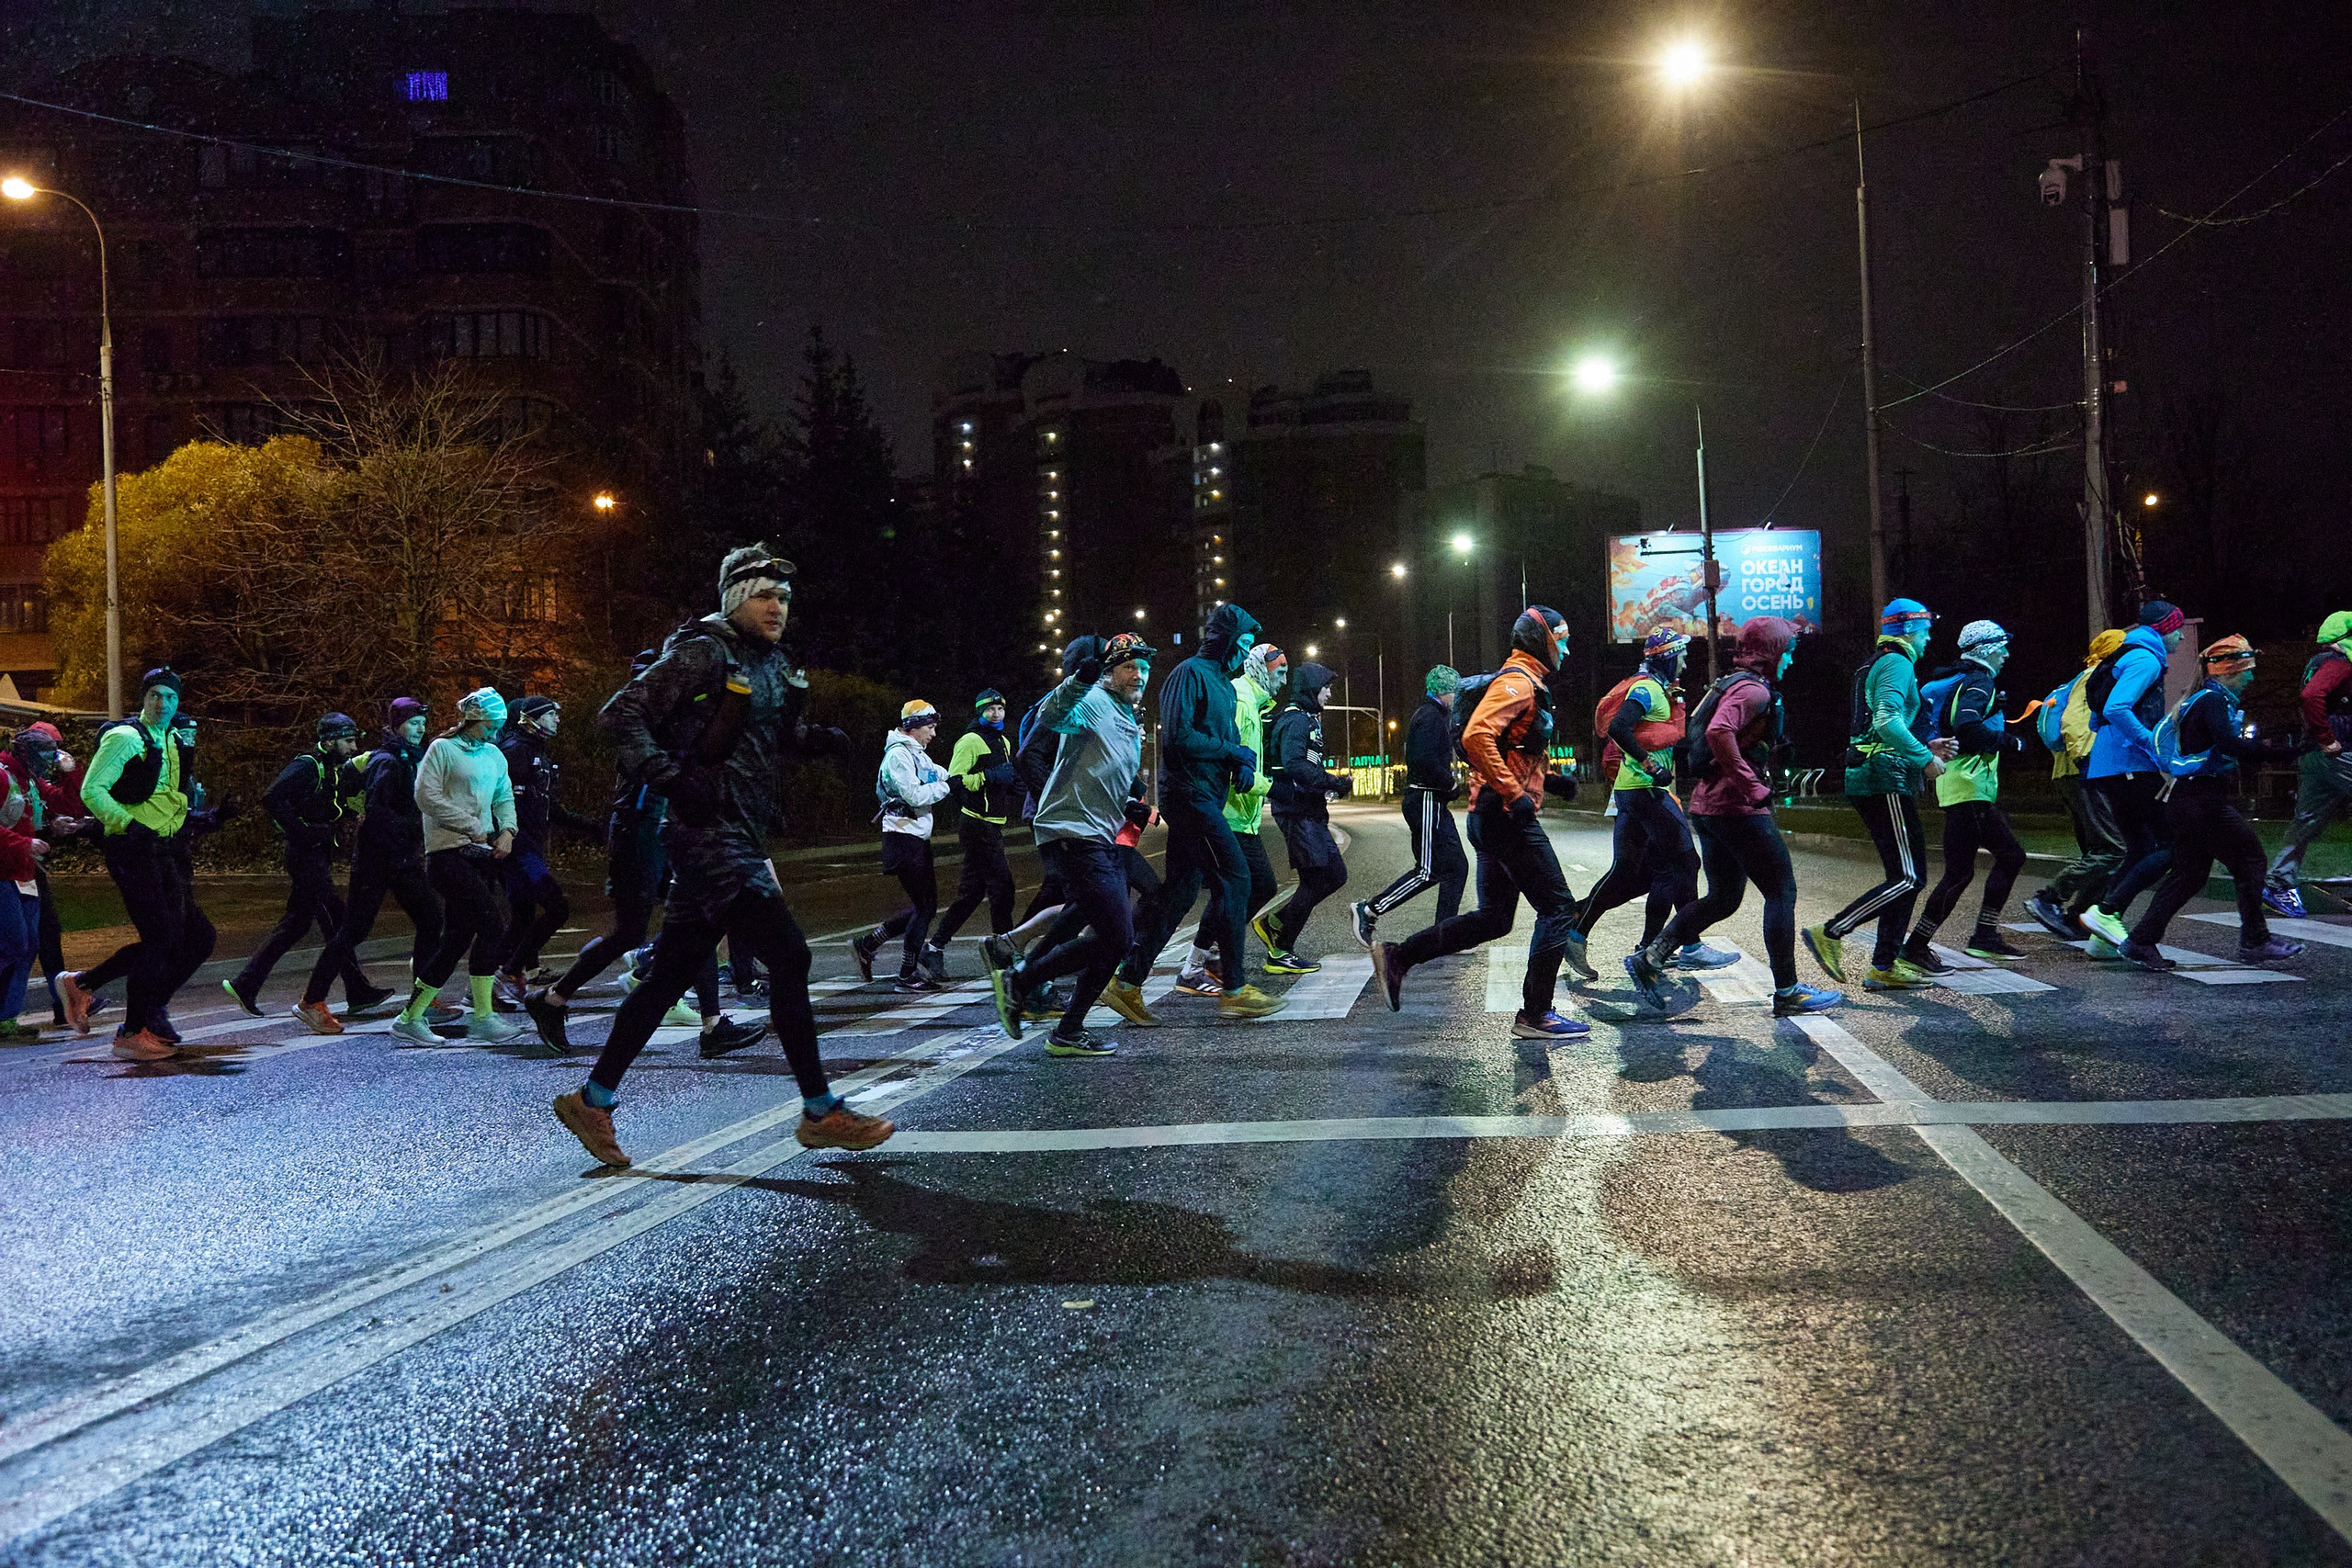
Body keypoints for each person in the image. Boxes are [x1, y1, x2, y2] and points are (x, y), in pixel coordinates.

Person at [554, 544, 893, 1168]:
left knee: (666, 977)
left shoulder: (768, 662)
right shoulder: (704, 651)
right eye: (764, 595)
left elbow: (760, 733)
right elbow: (618, 716)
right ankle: (820, 1111)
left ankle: (591, 1098)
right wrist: (666, 775)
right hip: (706, 833)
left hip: (738, 830)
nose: (777, 606)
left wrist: (809, 741)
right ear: (736, 598)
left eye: (784, 598)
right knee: (790, 955)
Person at [523, 653, 764, 1058]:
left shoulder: (672, 716)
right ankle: (552, 999)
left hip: (665, 828)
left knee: (701, 920)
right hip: (639, 830)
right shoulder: (644, 719)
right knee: (629, 932)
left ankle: (712, 1025)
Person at [1371, 606, 1589, 1040]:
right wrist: (1514, 794)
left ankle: (1399, 956)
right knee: (1558, 907)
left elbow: (1512, 746)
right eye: (1561, 637)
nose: (1566, 646)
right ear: (1540, 639)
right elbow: (1477, 736)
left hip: (1489, 815)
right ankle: (1536, 1014)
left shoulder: (1527, 683)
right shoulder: (1517, 683)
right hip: (1504, 816)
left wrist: (1553, 780)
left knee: (1494, 919)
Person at [1626, 618, 1841, 1016]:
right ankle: (1789, 991)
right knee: (1781, 891)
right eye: (1788, 648)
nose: (1791, 657)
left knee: (1724, 897)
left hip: (1709, 807)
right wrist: (1752, 786)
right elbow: (1719, 733)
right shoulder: (1752, 690)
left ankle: (1651, 956)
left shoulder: (1730, 683)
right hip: (1737, 808)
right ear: (1771, 649)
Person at [990, 632, 1157, 1055]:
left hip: (1098, 834)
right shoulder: (1092, 701)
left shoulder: (1125, 716)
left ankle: (1066, 1030)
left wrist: (1128, 805)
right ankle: (1021, 981)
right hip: (1072, 834)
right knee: (1118, 937)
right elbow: (1053, 714)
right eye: (1128, 666)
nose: (1138, 673)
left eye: (1143, 666)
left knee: (1108, 934)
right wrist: (1076, 683)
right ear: (1109, 671)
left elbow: (1102, 775)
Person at [2111, 635, 2302, 968]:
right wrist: (2285, 751)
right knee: (2252, 862)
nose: (2252, 678)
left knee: (2190, 874)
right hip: (2202, 801)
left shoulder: (2200, 699)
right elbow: (2228, 744)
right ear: (2229, 670)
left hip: (2185, 799)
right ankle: (2255, 941)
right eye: (2248, 671)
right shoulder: (2213, 701)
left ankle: (2140, 941)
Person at [65, 668, 220, 1061]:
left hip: (163, 850)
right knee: (162, 939)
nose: (162, 704)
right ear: (143, 698)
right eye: (155, 695)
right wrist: (126, 825)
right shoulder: (125, 738)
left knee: (198, 936)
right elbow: (91, 789)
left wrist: (203, 820)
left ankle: (89, 986)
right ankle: (133, 1031)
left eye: (170, 697)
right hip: (132, 851)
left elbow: (166, 798)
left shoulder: (169, 737)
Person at [1803, 599, 1958, 991]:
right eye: (1925, 630)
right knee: (1909, 876)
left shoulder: (1876, 662)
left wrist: (1925, 743)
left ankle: (1884, 966)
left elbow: (1879, 723)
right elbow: (1887, 720)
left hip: (1876, 772)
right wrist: (1924, 758)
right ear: (1909, 630)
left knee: (1905, 875)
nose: (1928, 638)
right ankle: (1832, 932)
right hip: (1883, 776)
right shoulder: (1898, 663)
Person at [1566, 626, 1736, 977]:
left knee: (1632, 874)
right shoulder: (1646, 689)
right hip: (1645, 789)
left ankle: (1576, 933)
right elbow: (1619, 727)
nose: (1686, 663)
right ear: (1668, 658)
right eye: (1683, 656)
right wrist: (1648, 763)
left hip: (1631, 792)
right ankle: (1690, 946)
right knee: (1686, 863)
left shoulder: (1660, 691)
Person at [1155, 603, 1283, 1018]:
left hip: (1207, 794)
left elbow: (1225, 742)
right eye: (1242, 642)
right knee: (1237, 878)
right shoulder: (1188, 674)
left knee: (1180, 893)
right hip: (1187, 794)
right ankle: (1234, 988)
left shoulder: (1224, 686)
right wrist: (1233, 752)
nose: (1243, 651)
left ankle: (1126, 981)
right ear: (1223, 638)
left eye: (1249, 644)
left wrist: (1240, 766)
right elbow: (1177, 739)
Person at [294, 699, 450, 1035]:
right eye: (412, 723)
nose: (420, 728)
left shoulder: (412, 757)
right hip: (377, 860)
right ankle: (312, 1000)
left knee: (431, 919)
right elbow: (378, 811)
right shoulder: (388, 761)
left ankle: (423, 1000)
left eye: (423, 722)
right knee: (355, 929)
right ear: (396, 726)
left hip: (401, 858)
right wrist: (411, 830)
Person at [222, 714, 387, 1018]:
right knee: (336, 919)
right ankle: (353, 991)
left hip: (315, 852)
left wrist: (346, 818)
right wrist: (301, 830)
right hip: (305, 855)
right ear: (328, 741)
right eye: (348, 741)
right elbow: (272, 797)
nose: (353, 747)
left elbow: (323, 805)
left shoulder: (328, 768)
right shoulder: (307, 765)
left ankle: (246, 983)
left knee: (297, 924)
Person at [390, 689, 522, 1045]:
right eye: (490, 725)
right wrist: (469, 824)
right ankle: (483, 1016)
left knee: (455, 941)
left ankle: (410, 1017)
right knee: (494, 924)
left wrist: (507, 830)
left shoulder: (493, 755)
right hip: (447, 855)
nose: (494, 733)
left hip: (479, 854)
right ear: (474, 720)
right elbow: (425, 796)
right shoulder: (442, 750)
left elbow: (504, 795)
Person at [1902, 620, 2030, 965]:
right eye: (2001, 646)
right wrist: (2011, 741)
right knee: (1968, 870)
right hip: (1968, 787)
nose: (2006, 653)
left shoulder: (1949, 678)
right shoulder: (1980, 680)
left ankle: (1982, 935)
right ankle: (1919, 945)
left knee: (1996, 860)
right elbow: (1968, 727)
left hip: (1955, 783)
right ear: (1986, 648)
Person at [2077, 602, 2189, 951]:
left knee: (2140, 847)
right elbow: (2115, 708)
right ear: (2162, 629)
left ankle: (2102, 939)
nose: (2182, 635)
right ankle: (2106, 912)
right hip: (2130, 764)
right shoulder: (2145, 659)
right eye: (2177, 628)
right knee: (2174, 844)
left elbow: (2098, 717)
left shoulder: (2125, 653)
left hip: (2110, 764)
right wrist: (2151, 744)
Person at [1178, 641, 1283, 990]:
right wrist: (1271, 788)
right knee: (1239, 890)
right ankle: (1198, 964)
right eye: (1279, 672)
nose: (1283, 681)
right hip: (1228, 812)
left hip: (1241, 814)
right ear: (1261, 669)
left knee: (1247, 889)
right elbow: (1232, 762)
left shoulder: (1253, 700)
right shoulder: (1240, 700)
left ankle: (1207, 958)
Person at [2023, 629, 2129, 941]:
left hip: (2069, 772)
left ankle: (2077, 919)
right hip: (2083, 771)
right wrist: (2089, 762)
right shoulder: (2096, 676)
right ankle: (2050, 898)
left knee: (2100, 852)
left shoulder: (2087, 676)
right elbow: (2074, 723)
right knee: (2113, 848)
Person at [492, 696, 599, 1004]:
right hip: (517, 847)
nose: (557, 720)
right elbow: (495, 797)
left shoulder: (538, 751)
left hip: (530, 846)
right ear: (532, 719)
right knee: (557, 907)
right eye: (551, 715)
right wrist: (502, 834)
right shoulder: (514, 751)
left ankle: (490, 984)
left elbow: (547, 807)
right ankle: (508, 973)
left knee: (523, 916)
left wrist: (591, 827)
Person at [1351, 665, 1467, 945]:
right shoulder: (1429, 717)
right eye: (1455, 691)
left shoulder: (1436, 716)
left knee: (1457, 866)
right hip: (1425, 798)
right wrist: (1450, 784)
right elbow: (1423, 760)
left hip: (1433, 800)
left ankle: (1445, 936)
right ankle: (1368, 910)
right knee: (1427, 871)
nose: (1457, 697)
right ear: (1443, 692)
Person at [853, 700, 953, 992]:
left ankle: (869, 944)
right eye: (930, 728)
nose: (933, 734)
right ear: (913, 727)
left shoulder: (917, 754)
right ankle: (906, 975)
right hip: (902, 838)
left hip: (915, 837)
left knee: (926, 906)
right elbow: (913, 795)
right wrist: (949, 788)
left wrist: (961, 777)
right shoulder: (898, 755)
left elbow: (941, 774)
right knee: (924, 908)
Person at [2262, 609, 2352, 919]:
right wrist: (2328, 738)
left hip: (2314, 755)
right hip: (2339, 752)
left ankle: (2278, 883)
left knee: (2307, 820)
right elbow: (2312, 696)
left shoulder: (2317, 662)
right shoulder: (2340, 663)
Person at [924, 689, 1023, 971]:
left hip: (992, 822)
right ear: (979, 712)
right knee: (1002, 888)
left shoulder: (1003, 741)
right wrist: (989, 777)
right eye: (989, 709)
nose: (995, 714)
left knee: (971, 894)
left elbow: (1007, 779)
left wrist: (1018, 788)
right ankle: (1002, 951)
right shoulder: (970, 740)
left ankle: (934, 948)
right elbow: (954, 781)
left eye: (1000, 709)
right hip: (977, 822)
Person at [1263, 660, 1351, 969]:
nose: (1329, 694)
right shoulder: (1297, 721)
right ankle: (1281, 950)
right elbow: (1294, 765)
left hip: (1310, 812)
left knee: (1336, 875)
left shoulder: (1307, 718)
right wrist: (1331, 781)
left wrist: (1334, 785)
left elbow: (1307, 766)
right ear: (1313, 689)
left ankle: (1276, 921)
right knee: (1313, 881)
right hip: (1296, 812)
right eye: (1326, 688)